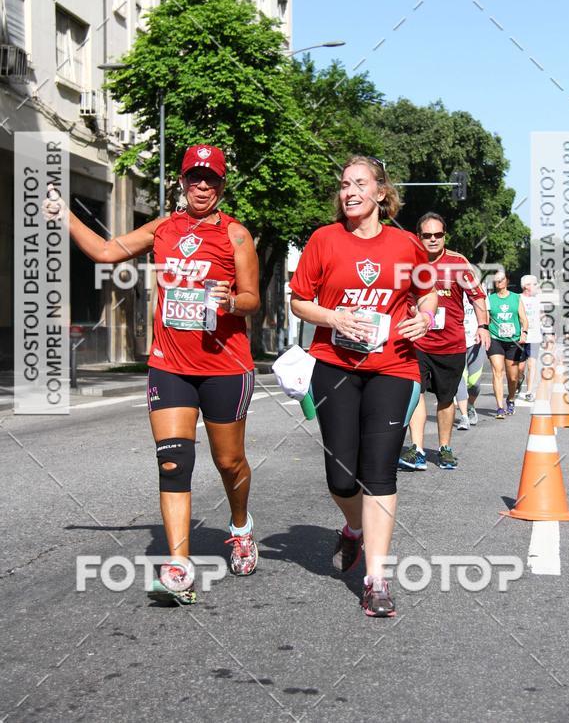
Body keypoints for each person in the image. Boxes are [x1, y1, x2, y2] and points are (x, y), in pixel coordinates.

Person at [43, 144, 260, 604]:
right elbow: (106, 252)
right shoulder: (163, 228)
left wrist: (230, 301)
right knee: (173, 462)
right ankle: (179, 566)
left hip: (225, 366)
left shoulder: (236, 235)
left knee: (228, 462)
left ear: (222, 186)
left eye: (212, 179)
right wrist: (65, 216)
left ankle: (241, 526)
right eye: (195, 177)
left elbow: (251, 298)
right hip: (170, 365)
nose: (203, 185)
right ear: (182, 182)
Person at [289, 156, 437, 618]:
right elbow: (299, 302)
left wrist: (425, 316)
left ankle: (377, 580)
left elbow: (428, 291)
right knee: (340, 476)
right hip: (335, 365)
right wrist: (332, 317)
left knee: (379, 471)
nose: (349, 192)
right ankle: (353, 528)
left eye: (359, 183)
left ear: (380, 192)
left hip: (393, 366)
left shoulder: (406, 243)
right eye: (344, 184)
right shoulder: (324, 239)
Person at [398, 213, 489, 471]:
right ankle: (417, 449)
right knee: (416, 394)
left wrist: (483, 326)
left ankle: (444, 448)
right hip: (416, 342)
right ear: (419, 236)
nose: (433, 239)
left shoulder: (458, 263)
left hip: (450, 344)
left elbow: (477, 296)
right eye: (427, 235)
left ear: (444, 236)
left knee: (446, 399)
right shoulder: (407, 262)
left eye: (438, 235)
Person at [487, 269, 528, 418]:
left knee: (513, 378)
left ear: (507, 281)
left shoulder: (516, 298)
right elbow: (486, 319)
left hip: (513, 340)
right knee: (497, 372)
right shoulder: (489, 299)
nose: (499, 282)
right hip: (495, 339)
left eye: (501, 279)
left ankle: (510, 399)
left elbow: (524, 319)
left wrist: (524, 332)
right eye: (496, 280)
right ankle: (499, 408)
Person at [454, 291, 486, 429]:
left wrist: (483, 329)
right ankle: (464, 417)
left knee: (475, 383)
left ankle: (470, 405)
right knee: (460, 379)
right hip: (457, 341)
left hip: (475, 340)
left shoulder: (477, 290)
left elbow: (486, 313)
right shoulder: (451, 289)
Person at [518, 274, 542, 401]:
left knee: (532, 365)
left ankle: (529, 391)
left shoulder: (538, 299)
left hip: (535, 337)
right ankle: (519, 380)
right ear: (526, 286)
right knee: (520, 368)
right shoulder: (518, 298)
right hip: (521, 337)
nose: (536, 286)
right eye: (534, 284)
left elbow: (542, 315)